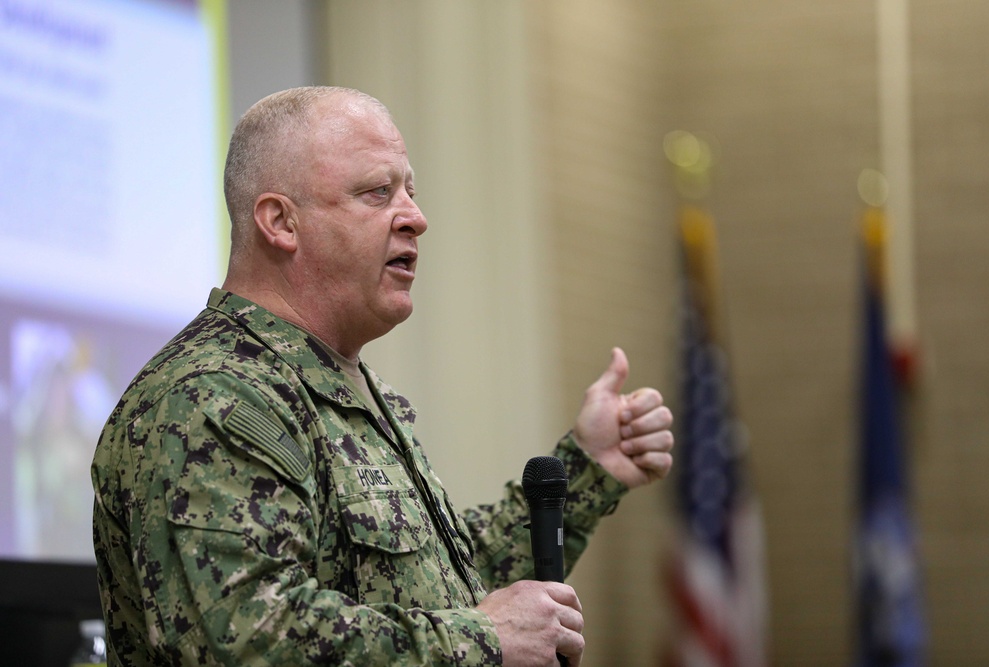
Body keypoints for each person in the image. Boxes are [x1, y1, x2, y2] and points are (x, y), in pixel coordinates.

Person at [91, 86, 674, 666]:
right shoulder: (212, 396)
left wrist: (590, 466)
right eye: (377, 193)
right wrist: (481, 642)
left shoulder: (339, 387)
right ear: (280, 222)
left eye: (411, 192)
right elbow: (247, 638)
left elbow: (448, 591)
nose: (416, 218)